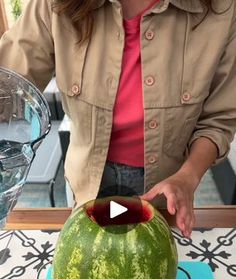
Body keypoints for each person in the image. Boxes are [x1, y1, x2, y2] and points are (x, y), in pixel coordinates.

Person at [0, 0, 235, 238]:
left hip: (165, 190)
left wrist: (188, 176)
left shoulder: (222, 9)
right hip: (87, 184)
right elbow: (9, 78)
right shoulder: (52, 4)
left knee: (153, 261)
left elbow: (219, 120)